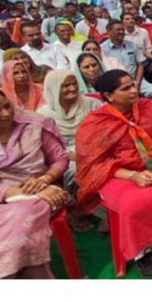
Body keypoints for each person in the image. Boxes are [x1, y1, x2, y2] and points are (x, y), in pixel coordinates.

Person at [74, 70, 152, 278]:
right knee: (133, 204)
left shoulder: (148, 107)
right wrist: (133, 176)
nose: (134, 90)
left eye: (133, 85)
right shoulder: (97, 122)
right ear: (108, 95)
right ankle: (142, 253)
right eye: (126, 88)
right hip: (117, 173)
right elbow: (95, 163)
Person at [0, 87, 70, 279]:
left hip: (43, 188)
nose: (6, 113)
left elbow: (60, 159)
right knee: (30, 209)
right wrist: (25, 193)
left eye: (8, 106)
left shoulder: (33, 127)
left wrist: (44, 180)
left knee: (32, 207)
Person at [37, 70, 101, 232]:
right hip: (61, 154)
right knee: (72, 170)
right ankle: (77, 211)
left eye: (74, 84)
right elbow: (45, 146)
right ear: (53, 88)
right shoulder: (44, 115)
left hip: (94, 148)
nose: (72, 89)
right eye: (65, 86)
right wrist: (67, 155)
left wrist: (88, 151)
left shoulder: (91, 104)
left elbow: (106, 130)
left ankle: (104, 210)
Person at [100, 20, 152, 100]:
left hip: (134, 79)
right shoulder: (102, 49)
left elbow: (140, 65)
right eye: (118, 30)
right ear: (109, 32)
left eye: (122, 29)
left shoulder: (132, 45)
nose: (121, 32)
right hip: (116, 83)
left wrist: (137, 84)